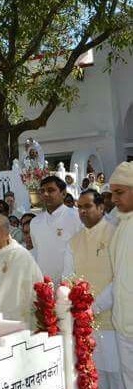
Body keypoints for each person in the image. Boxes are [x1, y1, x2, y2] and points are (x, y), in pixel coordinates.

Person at [62, 190, 124, 389]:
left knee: (118, 376)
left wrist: (94, 308)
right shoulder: (74, 240)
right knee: (91, 374)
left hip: (113, 321)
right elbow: (67, 277)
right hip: (84, 323)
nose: (82, 211)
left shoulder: (117, 233)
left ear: (101, 207)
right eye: (79, 207)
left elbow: (121, 279)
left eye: (87, 206)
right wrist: (76, 308)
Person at [94, 161, 133, 388]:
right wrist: (94, 307)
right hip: (124, 325)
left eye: (120, 192)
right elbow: (121, 280)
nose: (114, 199)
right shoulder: (122, 225)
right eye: (112, 193)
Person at [30, 175, 82, 284]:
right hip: (44, 284)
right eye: (42, 191)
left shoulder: (77, 217)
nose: (45, 194)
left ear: (63, 194)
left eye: (51, 190)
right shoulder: (35, 222)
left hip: (71, 284)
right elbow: (37, 250)